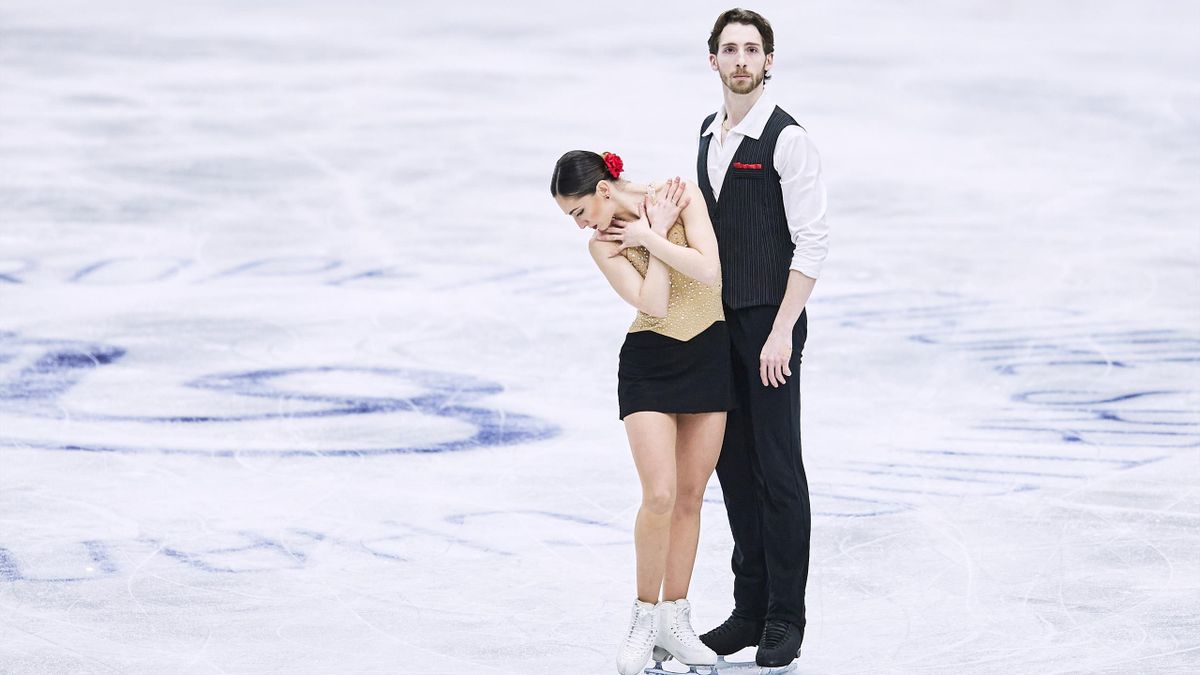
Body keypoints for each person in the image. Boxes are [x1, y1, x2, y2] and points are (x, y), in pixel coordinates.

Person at [551, 151, 733, 675]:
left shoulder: (678, 196)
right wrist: (651, 241)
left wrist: (652, 234)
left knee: (691, 497)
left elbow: (709, 271)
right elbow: (653, 304)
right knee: (659, 494)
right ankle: (642, 618)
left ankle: (675, 623)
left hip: (707, 352)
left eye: (578, 210)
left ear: (604, 190)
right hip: (650, 364)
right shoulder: (601, 245)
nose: (580, 224)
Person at [693, 8, 830, 669]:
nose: (742, 59)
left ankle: (784, 616)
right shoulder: (707, 134)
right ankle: (749, 608)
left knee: (777, 469)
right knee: (731, 467)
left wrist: (781, 330)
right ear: (713, 60)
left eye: (752, 49)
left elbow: (814, 239)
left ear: (768, 61)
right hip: (719, 327)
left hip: (770, 326)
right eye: (730, 49)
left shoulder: (786, 139)